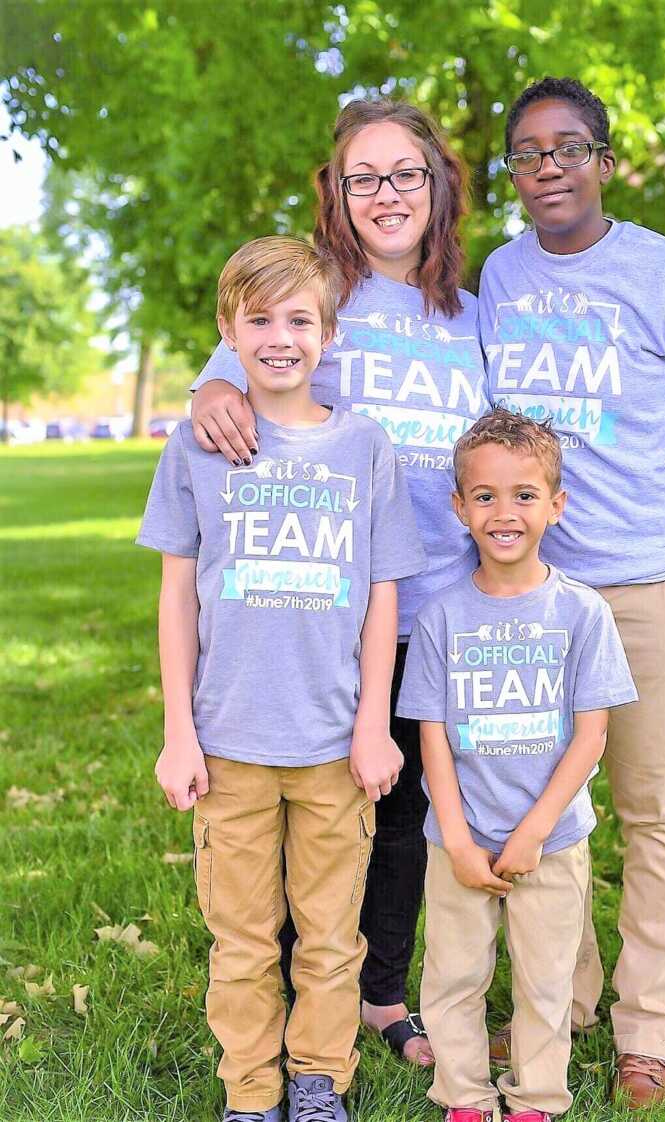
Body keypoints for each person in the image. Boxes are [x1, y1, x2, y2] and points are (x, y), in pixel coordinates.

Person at [187, 98, 665, 1070]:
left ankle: (381, 991)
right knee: (320, 807)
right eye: (364, 177)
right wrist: (214, 387)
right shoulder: (320, 294)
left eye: (406, 174)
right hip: (329, 613)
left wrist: (659, 437)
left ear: (439, 187)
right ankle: (296, 996)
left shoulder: (472, 316)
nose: (387, 194)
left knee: (409, 816)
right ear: (336, 194)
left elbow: (544, 411)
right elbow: (245, 361)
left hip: (442, 612)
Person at [478, 77, 665, 1108]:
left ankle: (651, 1028)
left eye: (566, 148)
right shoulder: (498, 279)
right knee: (546, 815)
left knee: (653, 811)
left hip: (649, 583)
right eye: (526, 153)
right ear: (513, 174)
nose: (546, 167)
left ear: (604, 160)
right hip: (536, 590)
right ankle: (562, 1004)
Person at [137, 235, 424, 1122]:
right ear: (229, 330)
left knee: (331, 936)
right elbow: (177, 599)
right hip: (228, 746)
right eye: (258, 318)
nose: (279, 336)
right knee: (243, 939)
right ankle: (252, 1090)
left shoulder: (363, 448)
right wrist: (180, 735)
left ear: (329, 334)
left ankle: (318, 1079)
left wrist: (375, 723)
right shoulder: (196, 449)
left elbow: (384, 597)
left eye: (299, 318)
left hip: (336, 746)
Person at [397, 408, 638, 1122]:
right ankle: (465, 1097)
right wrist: (460, 836)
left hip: (552, 841)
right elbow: (432, 737)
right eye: (485, 496)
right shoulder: (441, 617)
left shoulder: (582, 613)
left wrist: (535, 829)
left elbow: (590, 736)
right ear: (459, 507)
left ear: (556, 506)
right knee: (453, 975)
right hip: (460, 842)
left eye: (525, 495)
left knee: (545, 980)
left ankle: (535, 1099)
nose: (505, 513)